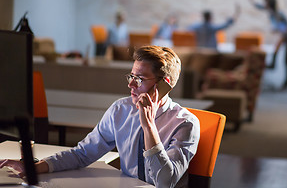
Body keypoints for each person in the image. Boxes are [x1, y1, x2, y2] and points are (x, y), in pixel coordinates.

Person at [0, 46, 201, 188]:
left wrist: (148, 126)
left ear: (164, 85)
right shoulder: (120, 110)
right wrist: (33, 168)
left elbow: (165, 182)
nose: (131, 85)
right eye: (131, 76)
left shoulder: (185, 124)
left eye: (139, 79)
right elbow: (83, 153)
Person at [249, 0, 287, 90]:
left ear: (269, 3)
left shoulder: (277, 13)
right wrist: (253, 2)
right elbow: (262, 7)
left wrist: (278, 29)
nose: (264, 4)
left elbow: (285, 27)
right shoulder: (272, 12)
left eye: (265, 2)